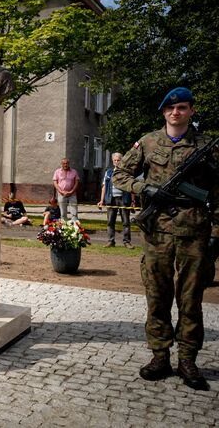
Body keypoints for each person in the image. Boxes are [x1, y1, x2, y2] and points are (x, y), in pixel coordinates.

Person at [113, 87, 219, 391]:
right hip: (157, 231)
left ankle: (188, 360)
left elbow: (217, 193)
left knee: (191, 299)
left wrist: (216, 234)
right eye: (171, 109)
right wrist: (143, 188)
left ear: (191, 111)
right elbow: (121, 175)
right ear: (164, 112)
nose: (176, 113)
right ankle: (160, 356)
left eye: (183, 108)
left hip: (194, 231)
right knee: (157, 295)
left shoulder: (206, 146)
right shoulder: (148, 142)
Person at [98, 152, 133, 249]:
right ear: (112, 161)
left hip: (124, 199)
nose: (117, 162)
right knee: (110, 222)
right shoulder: (108, 172)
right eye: (115, 160)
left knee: (126, 222)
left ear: (121, 161)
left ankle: (127, 242)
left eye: (118, 160)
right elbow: (104, 187)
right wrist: (101, 200)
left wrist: (133, 201)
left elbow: (131, 187)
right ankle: (111, 241)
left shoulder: (126, 172)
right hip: (111, 199)